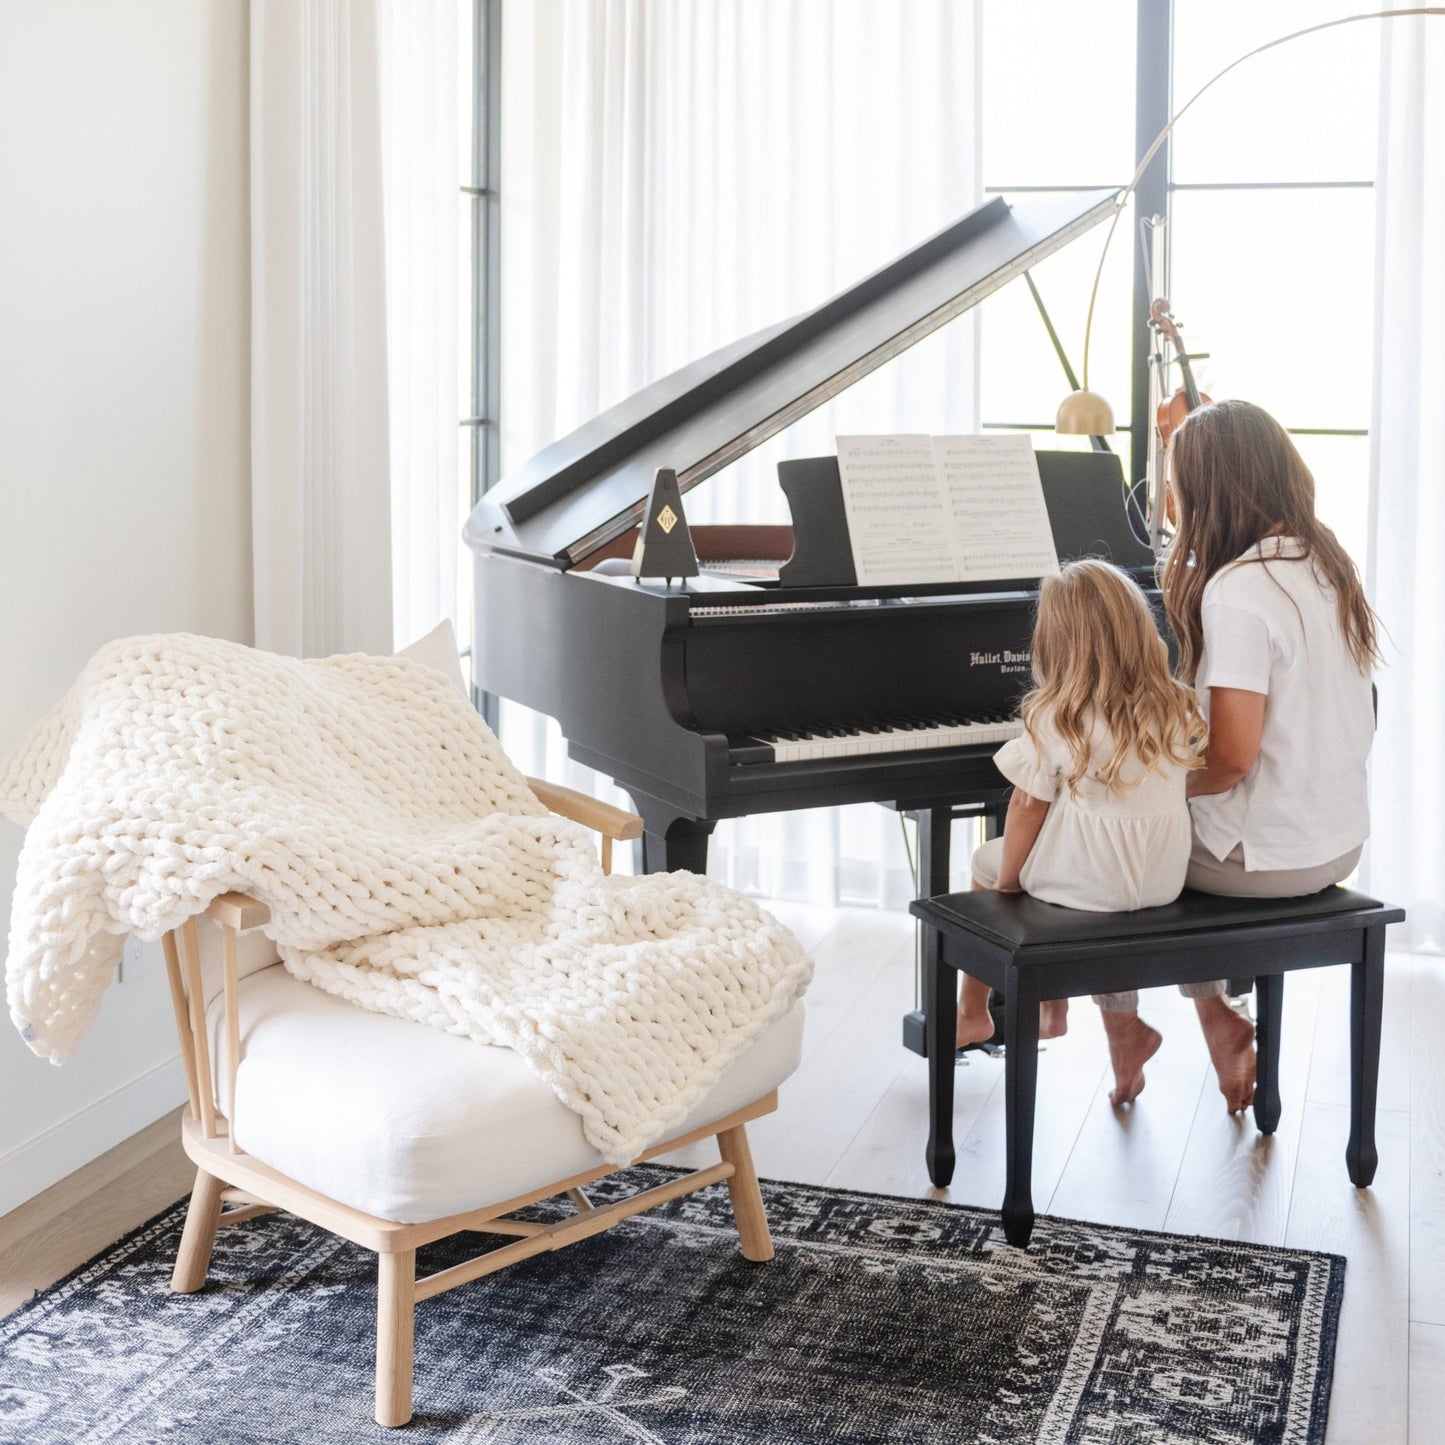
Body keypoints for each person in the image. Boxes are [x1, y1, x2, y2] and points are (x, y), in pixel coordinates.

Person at [1092, 398, 1381, 1114]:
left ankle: (1124, 1030)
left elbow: (1228, 760)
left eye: (1175, 485)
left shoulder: (1238, 591)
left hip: (1270, 856)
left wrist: (1132, 788)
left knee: (1101, 839)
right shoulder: (1321, 562)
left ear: (1205, 491)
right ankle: (1217, 1022)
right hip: (1335, 838)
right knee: (1143, 827)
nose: (1168, 500)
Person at [956, 557, 1207, 1052]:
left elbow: (1027, 809)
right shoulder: (1178, 704)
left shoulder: (1055, 714)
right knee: (1063, 845)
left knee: (989, 866)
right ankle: (1052, 1006)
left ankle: (973, 1012)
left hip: (1090, 885)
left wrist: (1008, 883)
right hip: (1161, 880)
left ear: (1056, 642)